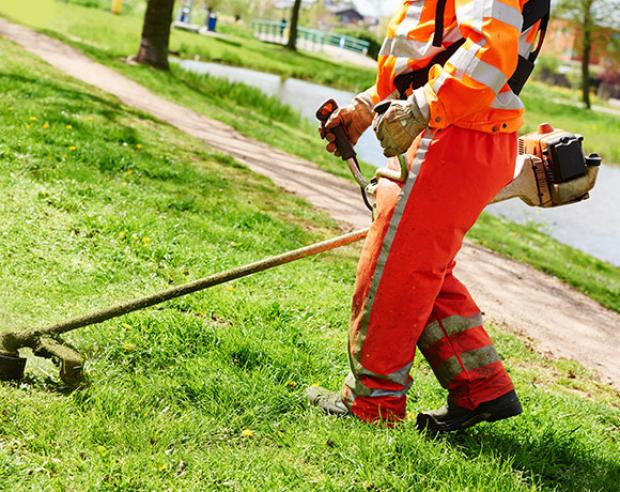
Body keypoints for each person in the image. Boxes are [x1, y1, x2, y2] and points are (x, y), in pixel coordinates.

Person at [308, 0, 549, 433]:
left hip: (454, 131)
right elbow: (427, 53)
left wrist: (422, 107)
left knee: (394, 270)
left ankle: (372, 401)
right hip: (458, 127)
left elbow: (490, 52)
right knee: (416, 264)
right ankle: (482, 385)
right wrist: (368, 106)